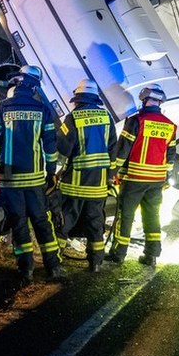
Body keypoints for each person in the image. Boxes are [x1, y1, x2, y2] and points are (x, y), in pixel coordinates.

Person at [0, 65, 66, 282]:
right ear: (34, 87)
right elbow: (50, 147)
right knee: (41, 221)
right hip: (35, 179)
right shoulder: (43, 110)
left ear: (17, 83)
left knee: (19, 223)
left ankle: (26, 270)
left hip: (10, 179)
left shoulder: (2, 108)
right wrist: (51, 173)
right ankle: (53, 267)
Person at [107, 84, 178, 267]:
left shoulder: (136, 121)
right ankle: (151, 255)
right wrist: (165, 176)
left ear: (144, 98)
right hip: (156, 180)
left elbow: (122, 151)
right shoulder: (170, 125)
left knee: (126, 215)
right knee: (152, 216)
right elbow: (171, 155)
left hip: (135, 178)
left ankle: (118, 253)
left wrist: (111, 173)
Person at [54, 80, 117, 272]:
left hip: (75, 184)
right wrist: (110, 176)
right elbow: (113, 149)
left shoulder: (73, 117)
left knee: (65, 221)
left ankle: (55, 260)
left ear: (78, 99)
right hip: (98, 185)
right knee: (95, 223)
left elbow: (63, 149)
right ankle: (96, 262)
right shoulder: (106, 117)